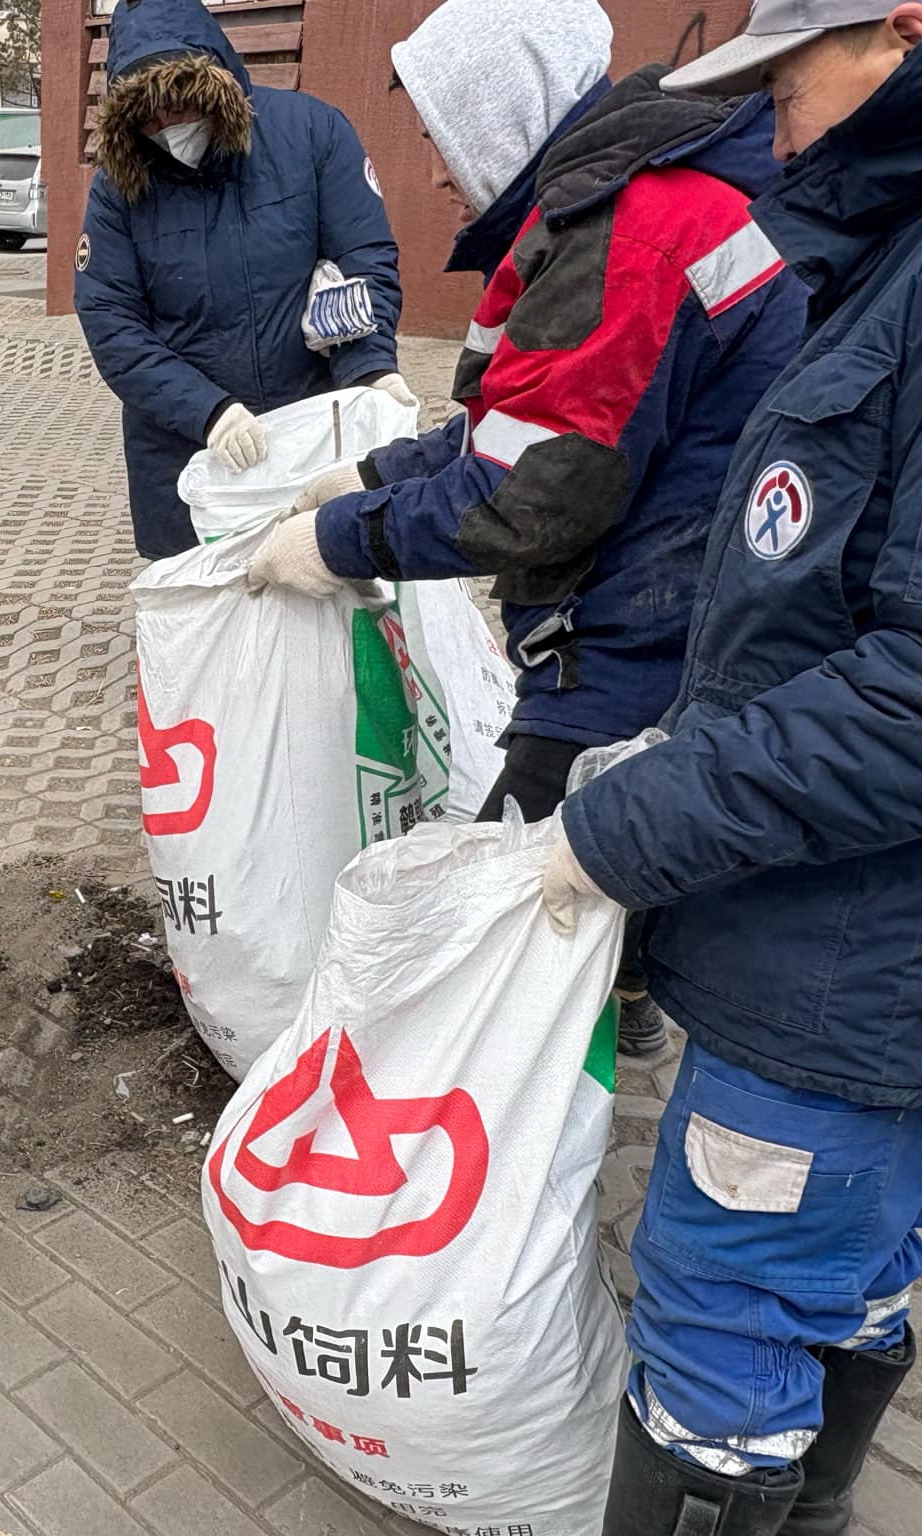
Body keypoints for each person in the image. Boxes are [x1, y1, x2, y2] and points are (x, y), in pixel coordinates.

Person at [533, 2, 922, 1531]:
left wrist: (625, 828)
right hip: (873, 939)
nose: (770, 125)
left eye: (785, 82)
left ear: (901, 35)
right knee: (844, 1276)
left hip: (853, 957)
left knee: (721, 1330)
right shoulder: (921, 244)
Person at [251, 0, 807, 1058]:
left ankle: (500, 1095)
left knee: (516, 886)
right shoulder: (608, 209)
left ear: (501, 109)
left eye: (432, 134)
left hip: (644, 624)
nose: (427, 171)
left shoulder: (630, 235)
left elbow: (525, 495)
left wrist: (333, 545)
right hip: (657, 597)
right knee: (609, 854)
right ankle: (620, 992)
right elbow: (518, 423)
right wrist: (364, 473)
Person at [72, 0, 409, 560]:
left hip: (310, 431)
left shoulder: (313, 134)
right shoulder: (120, 188)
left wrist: (370, 368)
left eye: (177, 102)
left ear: (211, 82)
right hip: (184, 449)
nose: (166, 127)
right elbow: (111, 322)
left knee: (315, 594)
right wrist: (209, 411)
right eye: (146, 116)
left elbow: (362, 257)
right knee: (203, 619)